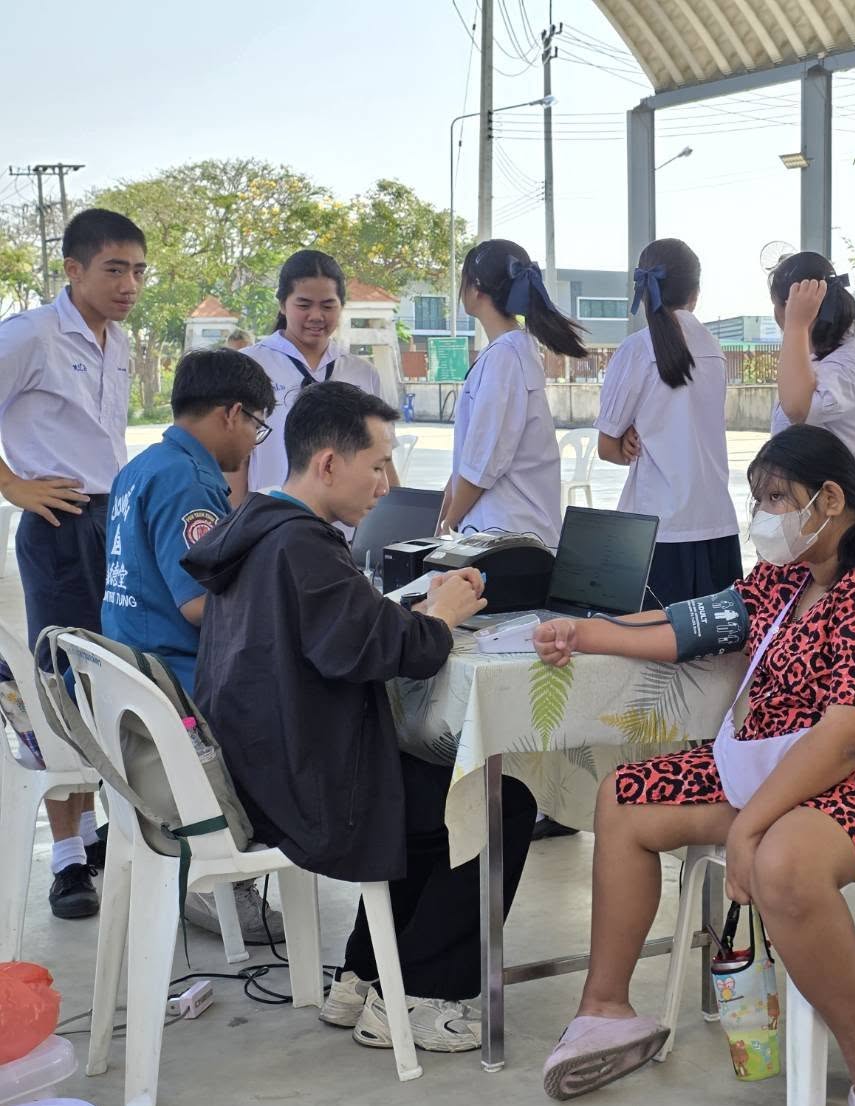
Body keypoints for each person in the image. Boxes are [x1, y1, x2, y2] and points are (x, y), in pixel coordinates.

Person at [537, 425, 855, 1106]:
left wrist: (749, 826)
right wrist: (583, 633)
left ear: (829, 499)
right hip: (777, 766)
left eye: (776, 498)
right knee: (626, 796)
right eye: (758, 499)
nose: (764, 515)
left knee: (782, 859)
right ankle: (606, 1010)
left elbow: (853, 735)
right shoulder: (790, 573)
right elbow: (697, 625)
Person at [183, 382, 536, 1051]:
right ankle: (422, 995)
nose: (385, 484)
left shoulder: (259, 525)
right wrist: (441, 616)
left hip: (264, 767)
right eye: (376, 465)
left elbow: (344, 630)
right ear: (328, 464)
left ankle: (363, 976)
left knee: (430, 792)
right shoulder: (303, 546)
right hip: (305, 789)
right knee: (496, 804)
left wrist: (415, 614)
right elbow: (393, 653)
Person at [101, 347, 284, 941]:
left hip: (130, 670)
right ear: (232, 413)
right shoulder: (189, 481)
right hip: (179, 682)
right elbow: (201, 605)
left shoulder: (141, 467)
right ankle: (225, 871)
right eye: (257, 425)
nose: (254, 441)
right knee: (307, 706)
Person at [0, 208, 146, 920]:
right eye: (114, 269)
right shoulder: (30, 335)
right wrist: (12, 484)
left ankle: (92, 837)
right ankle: (66, 861)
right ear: (73, 269)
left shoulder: (117, 341)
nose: (129, 285)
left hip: (110, 520)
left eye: (138, 271)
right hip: (56, 522)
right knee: (61, 682)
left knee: (109, 677)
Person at [596, 238, 740, 604]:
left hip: (656, 533)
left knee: (649, 640)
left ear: (643, 290)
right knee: (717, 640)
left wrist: (628, 436)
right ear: (696, 292)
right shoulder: (714, 350)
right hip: (715, 523)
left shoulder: (637, 349)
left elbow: (607, 448)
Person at [439, 240, 584, 547]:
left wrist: (446, 527)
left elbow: (481, 466)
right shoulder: (510, 350)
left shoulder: (505, 356)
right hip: (508, 534)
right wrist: (442, 518)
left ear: (476, 288)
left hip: (506, 536)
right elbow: (469, 461)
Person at [232, 249, 397, 501]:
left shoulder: (362, 373)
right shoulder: (248, 366)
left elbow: (382, 458)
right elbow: (235, 462)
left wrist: (396, 515)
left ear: (342, 305)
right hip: (271, 519)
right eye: (304, 305)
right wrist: (240, 521)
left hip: (347, 523)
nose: (317, 316)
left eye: (328, 305)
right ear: (282, 304)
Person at [768, 252, 855, 491]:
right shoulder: (817, 349)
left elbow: (797, 409)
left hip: (838, 503)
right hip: (809, 498)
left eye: (776, 305)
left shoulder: (850, 356)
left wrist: (795, 325)